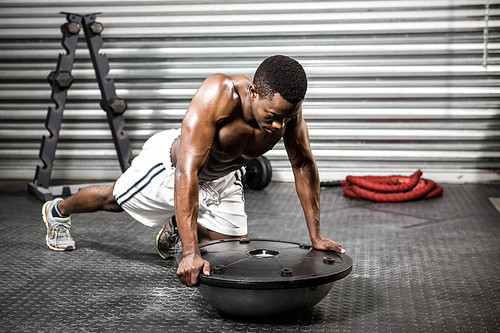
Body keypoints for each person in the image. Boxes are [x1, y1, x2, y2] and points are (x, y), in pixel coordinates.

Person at [41, 55, 346, 287]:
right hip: (171, 166)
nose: (280, 126)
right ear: (253, 93)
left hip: (223, 178)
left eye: (287, 117)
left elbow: (303, 164)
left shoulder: (287, 110)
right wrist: (189, 253)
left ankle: (181, 221)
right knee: (113, 200)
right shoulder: (219, 94)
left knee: (229, 255)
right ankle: (59, 210)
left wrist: (316, 235)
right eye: (274, 116)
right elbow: (187, 171)